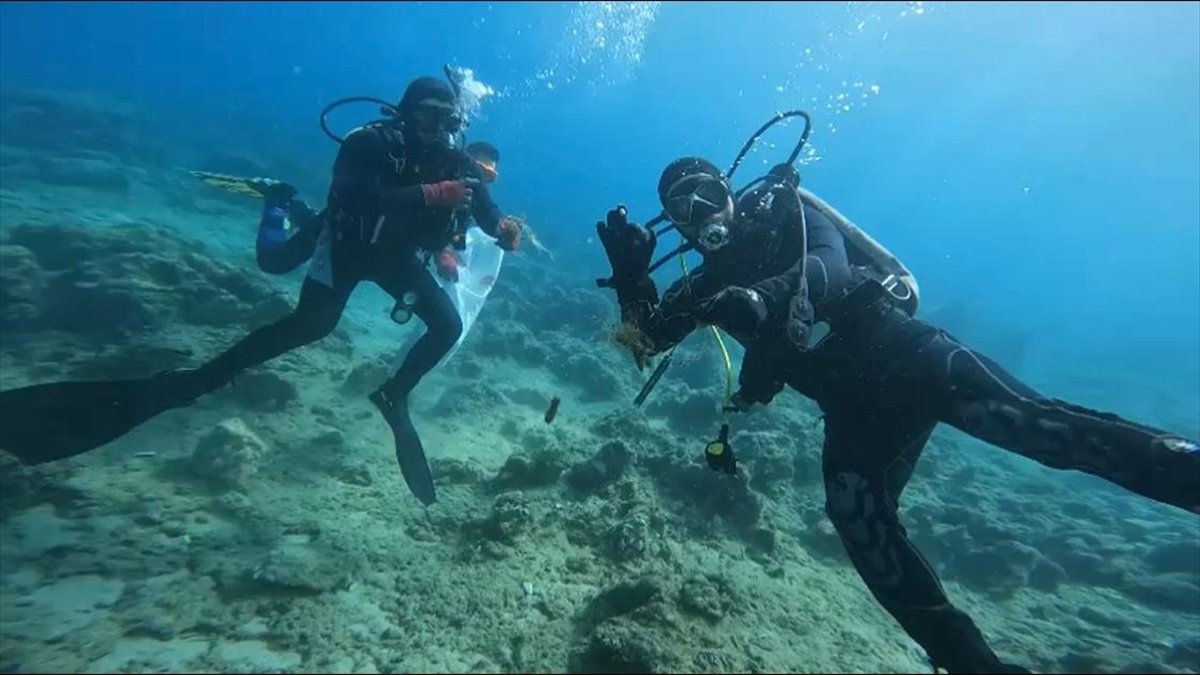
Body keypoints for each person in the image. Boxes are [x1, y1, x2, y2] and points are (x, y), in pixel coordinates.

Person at [595, 154, 1200, 674]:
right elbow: (645, 340)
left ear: (730, 191)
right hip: (856, 412)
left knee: (1040, 429)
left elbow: (827, 268)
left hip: (913, 359)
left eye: (709, 194)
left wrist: (762, 297)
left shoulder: (786, 214)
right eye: (683, 207)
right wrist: (629, 274)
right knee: (861, 524)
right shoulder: (705, 285)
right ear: (672, 222)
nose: (702, 213)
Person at [0, 76, 523, 507]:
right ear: (407, 112)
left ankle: (393, 395)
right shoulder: (370, 142)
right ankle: (275, 210)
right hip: (343, 244)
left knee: (447, 326)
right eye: (430, 117)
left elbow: (483, 207)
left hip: (394, 258)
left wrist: (501, 227)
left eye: (449, 121)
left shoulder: (457, 163)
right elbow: (354, 197)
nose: (439, 130)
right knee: (296, 300)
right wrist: (429, 193)